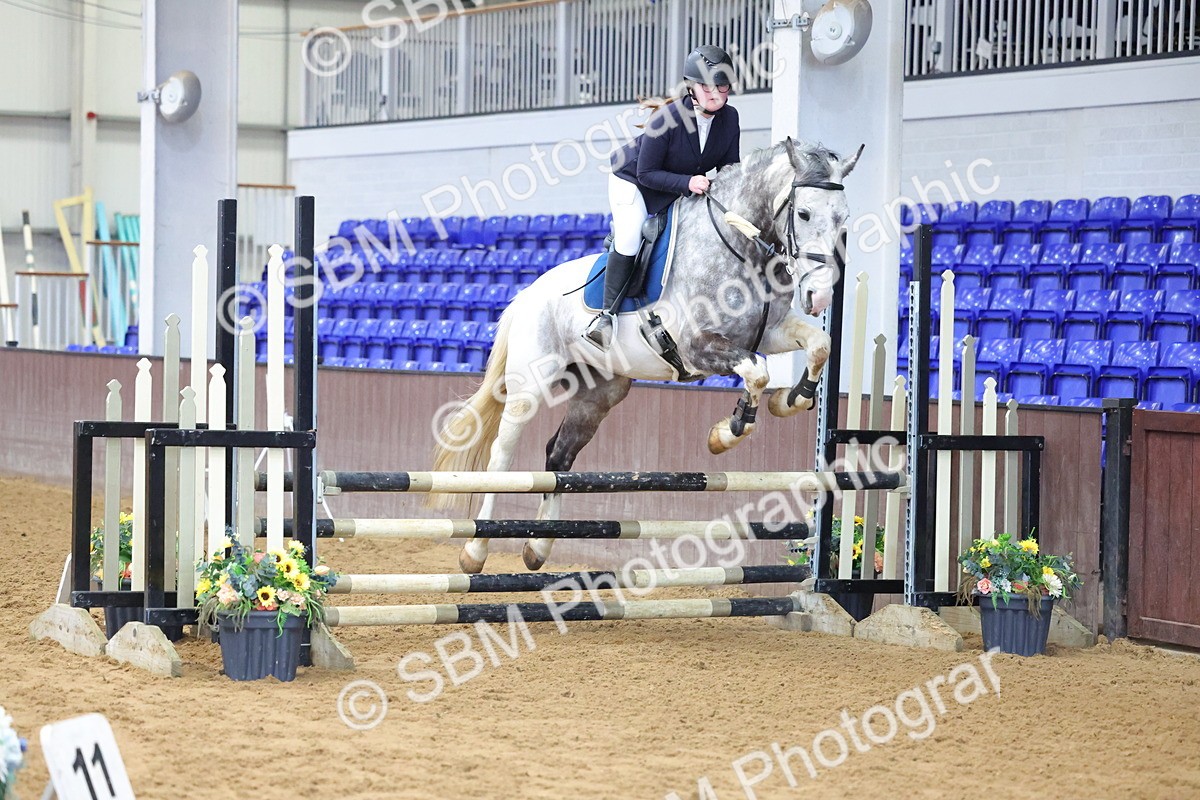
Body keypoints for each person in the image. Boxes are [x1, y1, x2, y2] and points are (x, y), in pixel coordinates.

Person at [582, 44, 742, 351]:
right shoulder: (667, 119)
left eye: (721, 86)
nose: (715, 94)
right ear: (692, 88)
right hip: (634, 182)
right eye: (706, 86)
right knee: (630, 236)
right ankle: (606, 317)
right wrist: (689, 182)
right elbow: (646, 173)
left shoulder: (729, 119)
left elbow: (729, 168)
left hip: (680, 186)